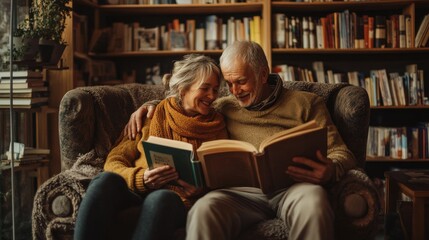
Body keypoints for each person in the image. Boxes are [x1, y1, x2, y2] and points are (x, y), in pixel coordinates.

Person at [125, 41, 356, 240]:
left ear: (263, 74)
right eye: (229, 83)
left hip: (293, 188)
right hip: (238, 194)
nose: (234, 91)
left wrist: (331, 170)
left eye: (241, 81)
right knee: (205, 209)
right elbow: (185, 101)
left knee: (315, 201)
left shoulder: (307, 103)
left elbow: (342, 153)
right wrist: (149, 107)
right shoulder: (223, 106)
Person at [74, 54, 228, 240]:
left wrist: (202, 189)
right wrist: (141, 178)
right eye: (205, 88)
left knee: (161, 198)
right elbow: (115, 161)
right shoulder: (151, 115)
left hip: (178, 201)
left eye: (215, 89)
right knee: (104, 180)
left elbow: (224, 178)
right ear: (182, 89)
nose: (212, 96)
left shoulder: (217, 127)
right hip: (137, 191)